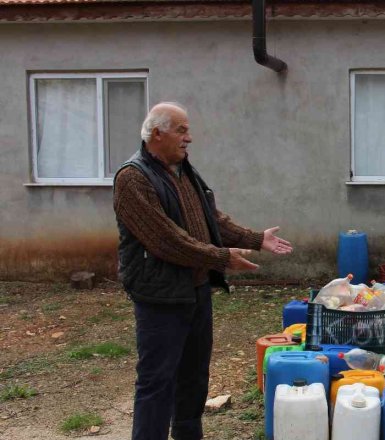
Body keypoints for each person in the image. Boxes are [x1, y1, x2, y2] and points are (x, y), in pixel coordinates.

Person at [113, 102, 292, 440]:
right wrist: (221, 258)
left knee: (193, 378)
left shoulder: (183, 170)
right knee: (157, 381)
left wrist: (255, 239)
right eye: (181, 130)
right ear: (157, 134)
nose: (189, 138)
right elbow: (166, 240)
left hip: (195, 291)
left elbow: (211, 220)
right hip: (160, 296)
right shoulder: (133, 178)